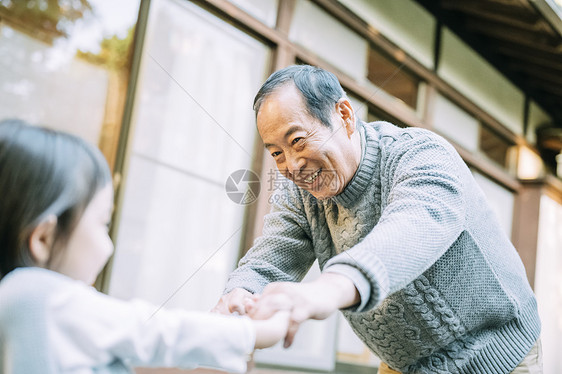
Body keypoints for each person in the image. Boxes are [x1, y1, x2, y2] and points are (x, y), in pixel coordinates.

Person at [212, 65, 542, 373]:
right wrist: (238, 297)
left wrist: (323, 292)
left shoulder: (420, 154)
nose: (292, 166)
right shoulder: (300, 195)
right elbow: (268, 262)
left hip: (497, 356)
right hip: (403, 365)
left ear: (343, 115)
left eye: (297, 140)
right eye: (277, 153)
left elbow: (409, 232)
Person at [0, 119, 289, 374]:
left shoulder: (36, 318)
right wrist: (261, 330)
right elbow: (154, 332)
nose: (109, 246)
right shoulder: (29, 294)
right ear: (43, 239)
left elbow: (145, 350)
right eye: (103, 223)